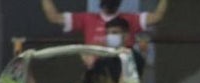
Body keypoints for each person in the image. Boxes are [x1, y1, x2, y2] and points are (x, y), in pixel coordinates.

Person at [40, 0, 168, 46]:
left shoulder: (130, 19)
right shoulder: (87, 18)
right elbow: (54, 17)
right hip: (96, 72)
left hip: (122, 71)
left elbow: (157, 17)